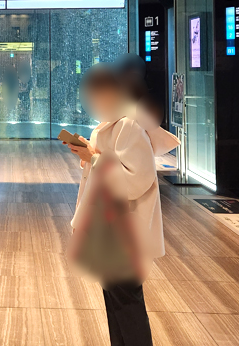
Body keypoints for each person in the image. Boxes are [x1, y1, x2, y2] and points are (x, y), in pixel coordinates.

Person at [66, 63, 178, 346]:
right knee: (116, 302)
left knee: (126, 305)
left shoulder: (128, 125)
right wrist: (89, 154)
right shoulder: (110, 124)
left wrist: (94, 158)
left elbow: (136, 180)